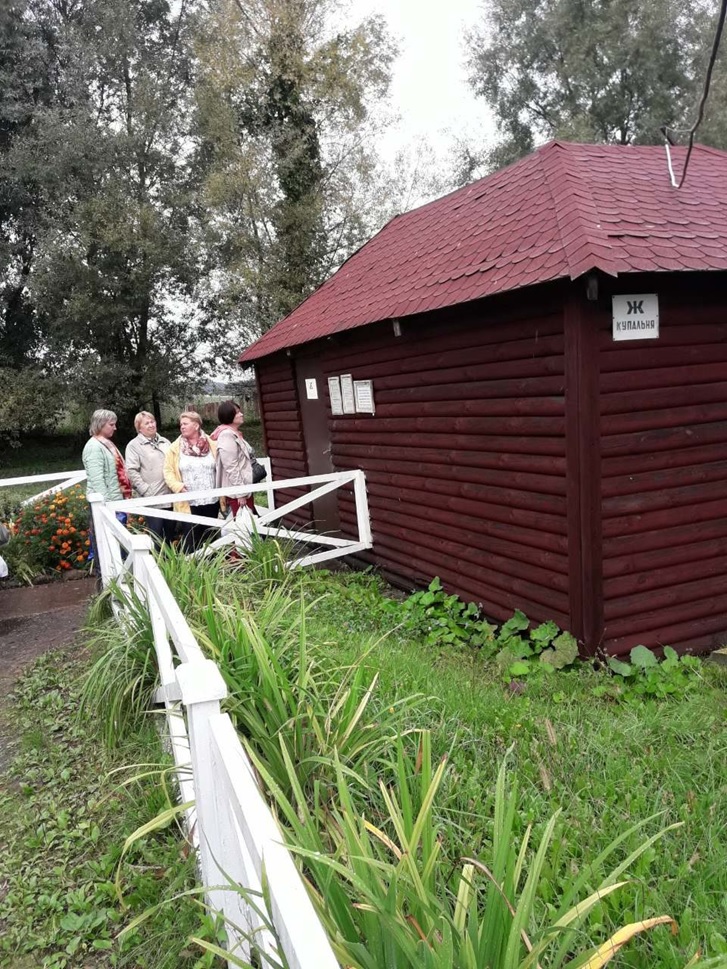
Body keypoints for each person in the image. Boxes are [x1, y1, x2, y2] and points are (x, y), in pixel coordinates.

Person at [163, 411, 219, 552]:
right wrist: (177, 486)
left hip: (211, 499)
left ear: (196, 425)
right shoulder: (174, 448)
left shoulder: (212, 444)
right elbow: (168, 471)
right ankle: (191, 564)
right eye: (181, 424)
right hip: (188, 501)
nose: (182, 427)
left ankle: (212, 564)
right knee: (192, 539)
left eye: (185, 424)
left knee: (210, 538)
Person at [125, 411, 175, 545]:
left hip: (170, 496)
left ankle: (171, 559)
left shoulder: (165, 442)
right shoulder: (134, 446)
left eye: (152, 421)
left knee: (170, 535)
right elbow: (131, 471)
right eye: (147, 423)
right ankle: (156, 559)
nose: (151, 425)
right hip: (153, 498)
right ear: (139, 428)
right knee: (156, 536)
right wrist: (146, 491)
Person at [82, 409, 132, 513]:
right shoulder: (94, 447)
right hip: (105, 505)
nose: (115, 428)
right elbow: (97, 480)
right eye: (111, 424)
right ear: (100, 425)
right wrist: (107, 505)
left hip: (115, 500)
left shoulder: (106, 444)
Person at [210, 400, 254, 519]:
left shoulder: (234, 433)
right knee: (243, 523)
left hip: (244, 487)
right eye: (237, 412)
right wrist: (240, 493)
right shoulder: (226, 435)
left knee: (248, 521)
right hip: (238, 491)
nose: (241, 414)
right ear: (229, 415)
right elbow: (231, 466)